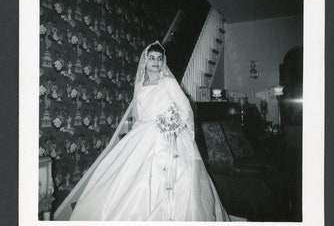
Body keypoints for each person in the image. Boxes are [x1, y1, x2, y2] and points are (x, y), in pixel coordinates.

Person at [70, 41, 231, 221]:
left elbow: (185, 108)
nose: (156, 62)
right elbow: (139, 113)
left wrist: (182, 131)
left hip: (168, 134)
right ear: (145, 61)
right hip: (143, 131)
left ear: (164, 62)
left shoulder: (168, 82)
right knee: (129, 175)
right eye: (152, 58)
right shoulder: (140, 85)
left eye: (159, 59)